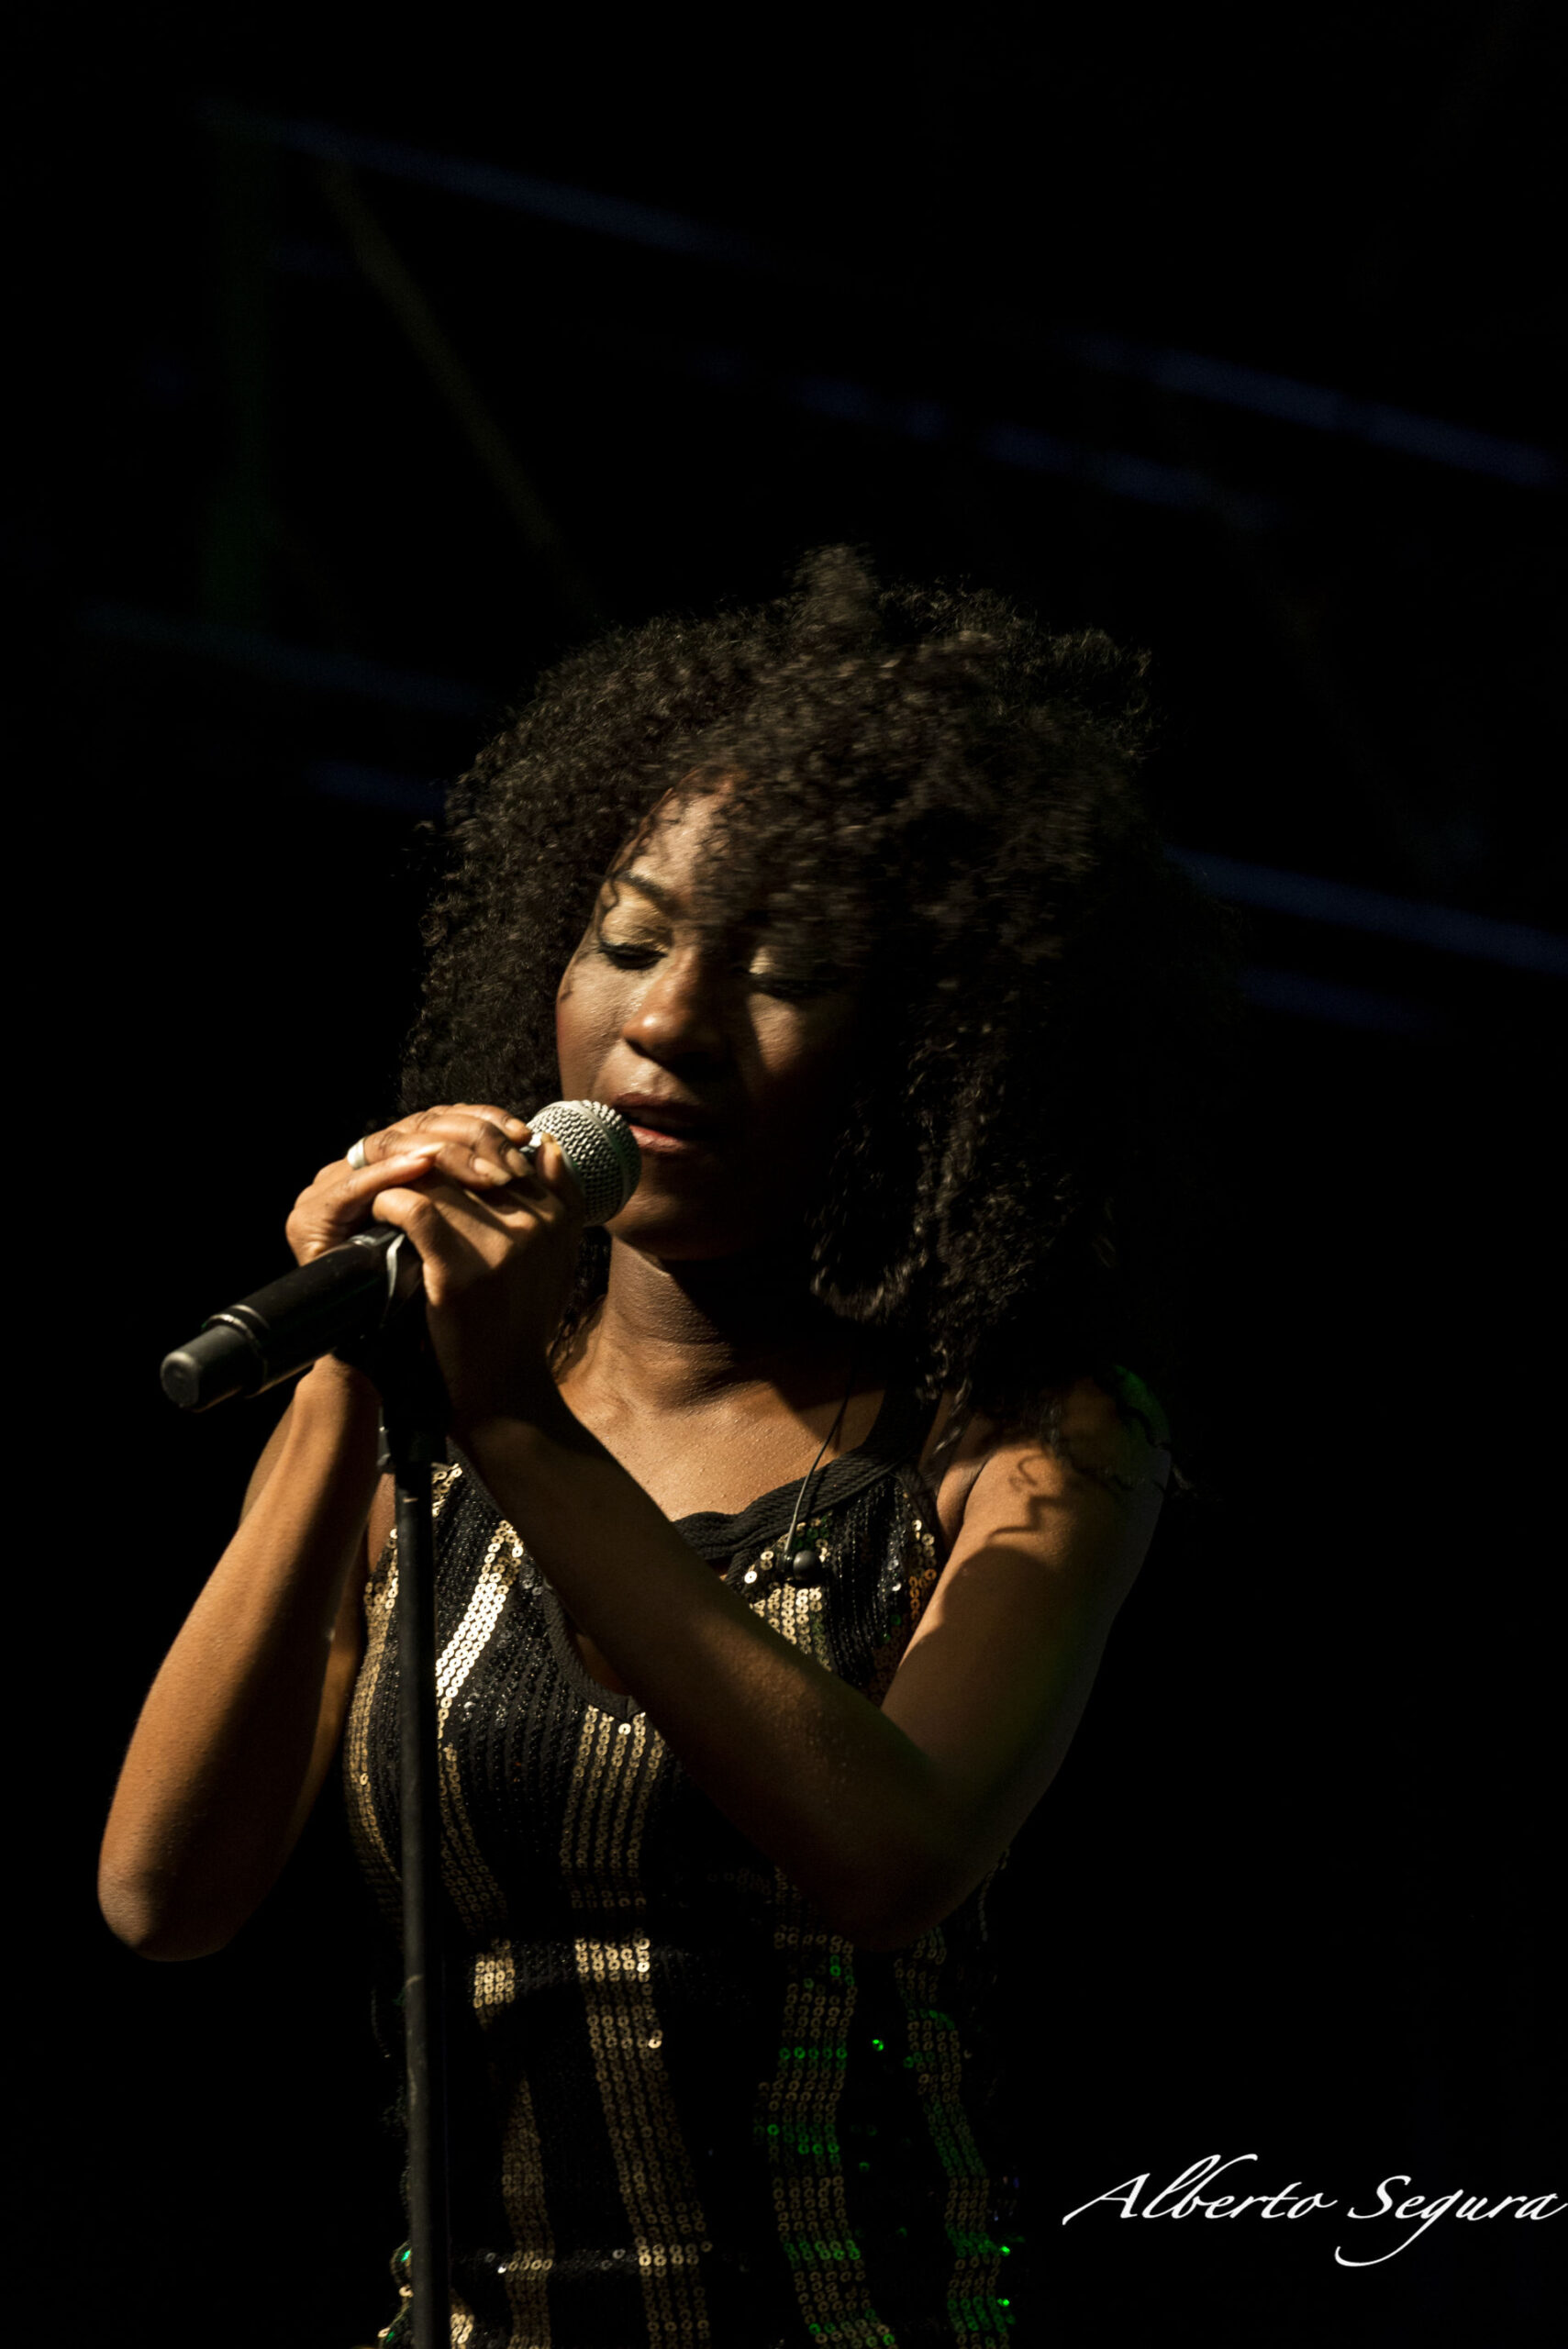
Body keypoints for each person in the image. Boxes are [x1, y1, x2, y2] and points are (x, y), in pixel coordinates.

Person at [99, 547, 1242, 2347]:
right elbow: (164, 1893)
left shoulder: (1024, 1438)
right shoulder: (415, 1421)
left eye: (784, 975)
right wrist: (352, 1379)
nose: (667, 1024)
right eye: (629, 944)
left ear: (931, 1053)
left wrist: (512, 1422)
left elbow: (887, 1857)